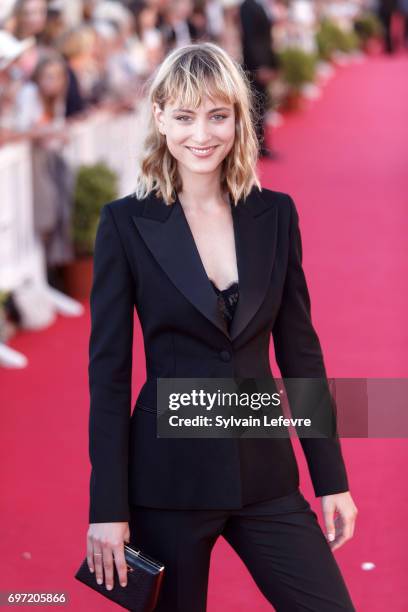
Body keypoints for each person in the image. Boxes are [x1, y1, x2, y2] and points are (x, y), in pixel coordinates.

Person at [85, 42, 358, 611]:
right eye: (184, 117)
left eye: (217, 115)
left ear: (239, 117)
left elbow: (301, 354)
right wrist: (107, 508)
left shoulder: (275, 215)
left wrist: (331, 478)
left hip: (264, 475)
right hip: (167, 482)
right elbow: (108, 377)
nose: (201, 135)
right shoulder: (125, 224)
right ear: (160, 118)